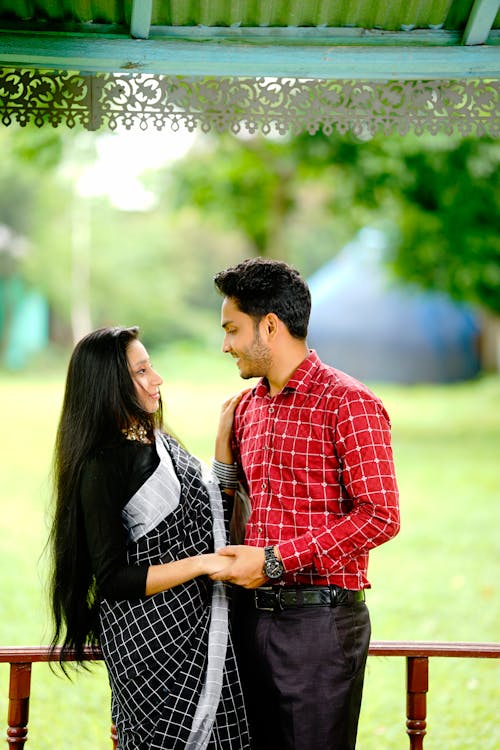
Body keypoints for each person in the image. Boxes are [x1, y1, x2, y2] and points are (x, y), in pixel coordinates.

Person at [211, 258, 400, 750]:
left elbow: (380, 516)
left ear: (269, 326)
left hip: (319, 625)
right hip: (249, 621)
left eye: (232, 329)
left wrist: (275, 562)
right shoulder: (248, 408)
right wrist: (221, 454)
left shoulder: (348, 402)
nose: (225, 345)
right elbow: (232, 508)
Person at [49, 325, 251, 750]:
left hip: (200, 629)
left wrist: (222, 443)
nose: (156, 378)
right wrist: (200, 564)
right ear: (111, 386)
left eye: (151, 366)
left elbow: (211, 513)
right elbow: (113, 579)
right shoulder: (100, 467)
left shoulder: (160, 443)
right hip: (150, 648)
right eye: (141, 371)